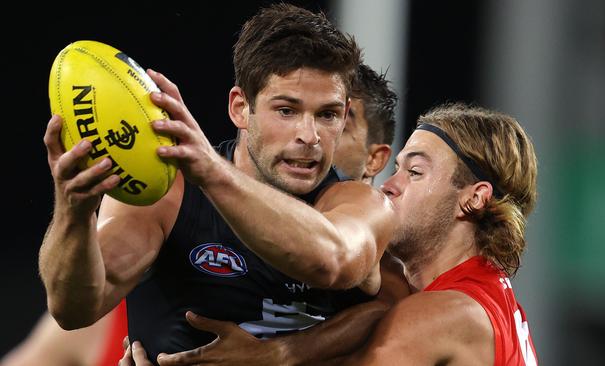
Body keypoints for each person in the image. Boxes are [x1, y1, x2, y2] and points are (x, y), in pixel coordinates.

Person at [39, 3, 396, 365]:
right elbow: (74, 311)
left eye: (328, 115)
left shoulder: (363, 205)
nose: (310, 136)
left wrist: (279, 357)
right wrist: (74, 213)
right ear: (241, 108)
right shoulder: (169, 193)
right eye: (286, 111)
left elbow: (333, 262)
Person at [133, 102, 539, 365]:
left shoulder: (442, 313)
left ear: (474, 198)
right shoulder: (493, 302)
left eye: (414, 172)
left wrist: (269, 357)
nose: (388, 186)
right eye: (395, 168)